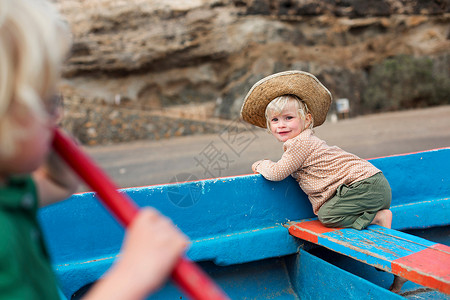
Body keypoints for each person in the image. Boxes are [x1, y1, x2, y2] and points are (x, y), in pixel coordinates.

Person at [0, 0, 187, 299]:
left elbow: (58, 185)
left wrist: (57, 160)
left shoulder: (11, 192)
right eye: (48, 101)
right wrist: (132, 275)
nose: (58, 116)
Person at [240, 70, 407, 293]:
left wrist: (261, 164)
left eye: (289, 118)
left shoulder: (300, 144)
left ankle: (379, 216)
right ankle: (392, 265)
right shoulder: (300, 144)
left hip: (365, 186)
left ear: (306, 120)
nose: (281, 125)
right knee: (328, 211)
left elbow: (277, 172)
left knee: (327, 215)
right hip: (369, 184)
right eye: (275, 120)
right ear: (269, 125)